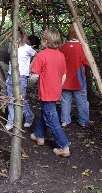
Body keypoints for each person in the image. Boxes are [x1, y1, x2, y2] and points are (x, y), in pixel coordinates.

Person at [30, 29, 71, 157]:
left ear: (46, 41)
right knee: (46, 113)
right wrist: (58, 86)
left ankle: (63, 146)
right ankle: (39, 135)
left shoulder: (41, 55)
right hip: (56, 90)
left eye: (42, 39)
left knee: (52, 119)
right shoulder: (61, 55)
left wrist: (27, 85)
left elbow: (34, 76)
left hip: (46, 91)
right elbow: (64, 75)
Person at [59, 23, 91, 127]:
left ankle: (65, 121)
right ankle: (83, 121)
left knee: (65, 101)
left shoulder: (63, 48)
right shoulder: (82, 48)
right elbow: (87, 63)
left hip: (65, 80)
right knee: (81, 102)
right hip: (79, 80)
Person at [5, 27, 36, 131]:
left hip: (21, 77)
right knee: (10, 99)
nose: (11, 40)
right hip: (10, 76)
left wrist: (30, 66)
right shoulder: (11, 46)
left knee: (21, 99)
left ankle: (29, 117)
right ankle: (11, 121)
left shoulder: (27, 48)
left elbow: (36, 56)